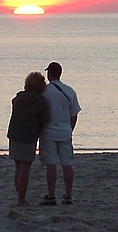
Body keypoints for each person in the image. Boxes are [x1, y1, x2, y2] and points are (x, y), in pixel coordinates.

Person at [39, 62, 81, 205]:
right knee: (67, 164)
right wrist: (70, 129)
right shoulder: (69, 91)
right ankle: (68, 195)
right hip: (65, 130)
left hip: (49, 131)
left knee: (51, 164)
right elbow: (74, 114)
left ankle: (51, 195)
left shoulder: (45, 91)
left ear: (49, 74)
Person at [8, 72, 50, 206]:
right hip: (28, 135)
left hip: (14, 133)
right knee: (25, 168)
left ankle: (20, 196)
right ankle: (21, 199)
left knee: (18, 167)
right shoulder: (39, 100)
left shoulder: (18, 98)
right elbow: (44, 119)